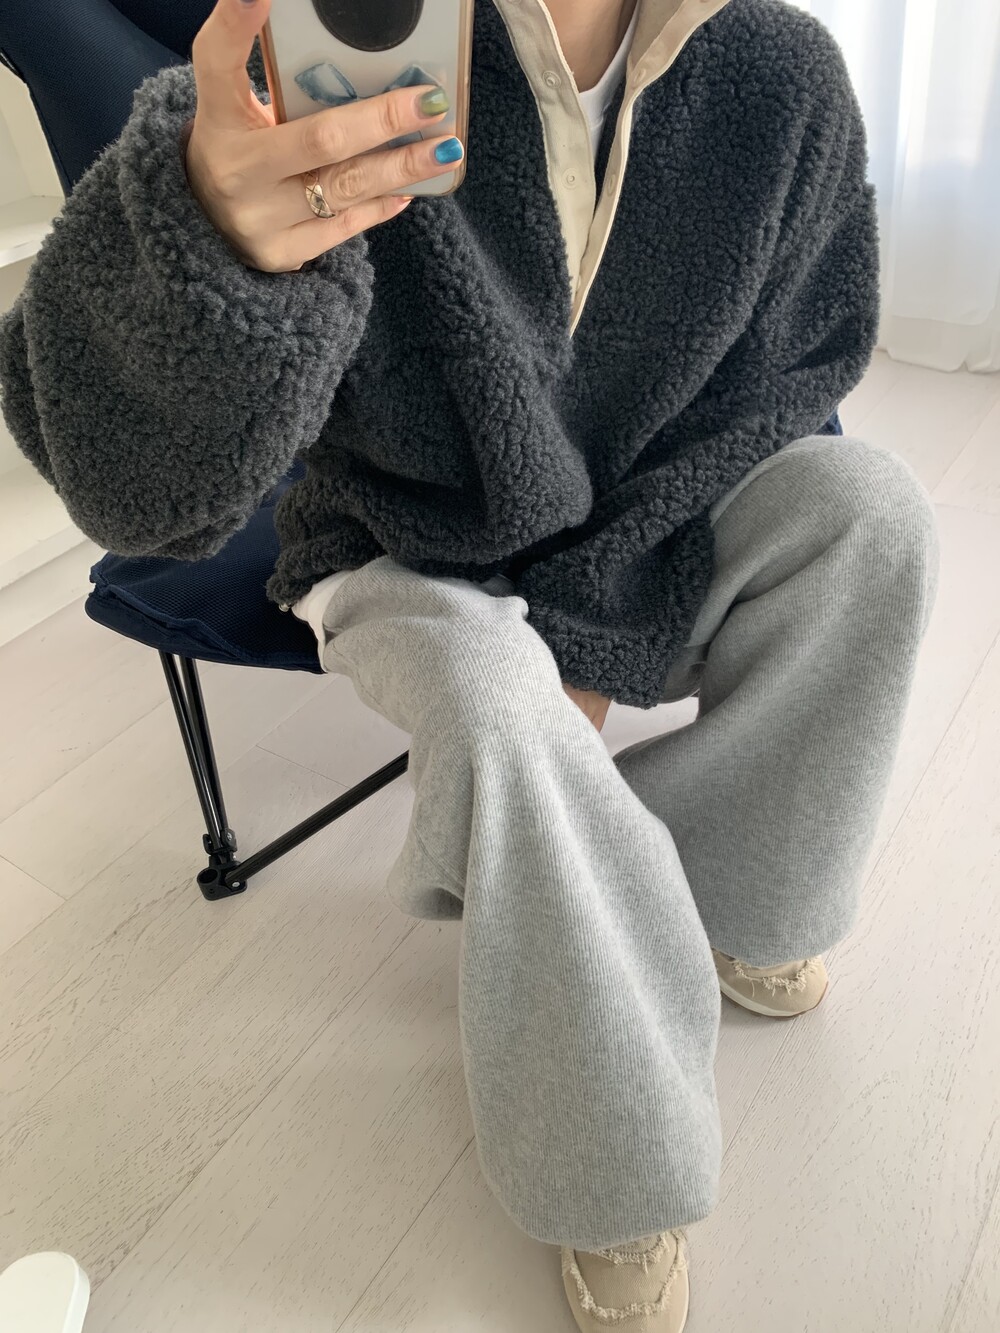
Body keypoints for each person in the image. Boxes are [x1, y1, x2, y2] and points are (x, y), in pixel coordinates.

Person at [0, 0, 939, 1327]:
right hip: (406, 540)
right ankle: (611, 1168)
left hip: (650, 518)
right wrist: (214, 239)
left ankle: (721, 887)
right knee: (503, 710)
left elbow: (784, 381)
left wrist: (585, 626)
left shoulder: (781, 72)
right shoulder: (338, 43)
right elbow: (136, 496)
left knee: (872, 515)